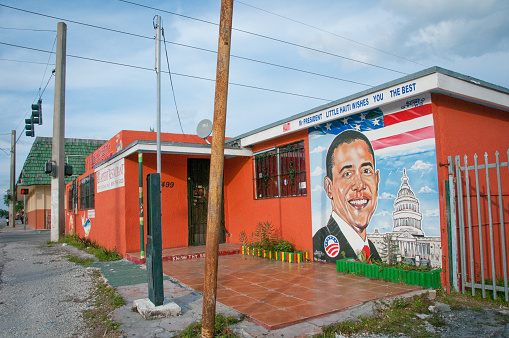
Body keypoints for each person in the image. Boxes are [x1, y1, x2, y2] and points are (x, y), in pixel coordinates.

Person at [313, 129, 381, 263]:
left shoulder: (372, 250)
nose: (359, 185)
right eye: (347, 174)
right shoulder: (320, 242)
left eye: (366, 171)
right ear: (329, 187)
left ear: (376, 180)